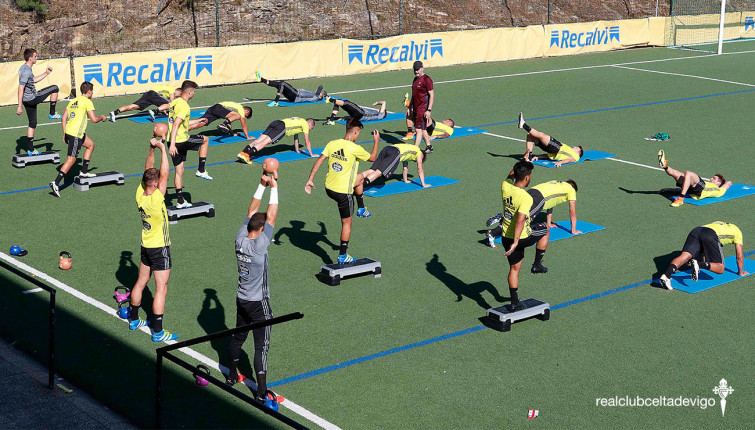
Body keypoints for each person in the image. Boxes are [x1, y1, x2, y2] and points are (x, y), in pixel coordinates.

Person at [226, 173, 279, 406]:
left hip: (241, 298)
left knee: (238, 338)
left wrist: (260, 184)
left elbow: (251, 211)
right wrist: (274, 187)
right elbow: (273, 215)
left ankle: (231, 376)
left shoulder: (240, 239)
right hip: (259, 302)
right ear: (260, 229)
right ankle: (261, 392)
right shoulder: (259, 245)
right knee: (261, 347)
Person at [304, 119, 379, 263]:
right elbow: (373, 157)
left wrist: (310, 180)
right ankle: (343, 256)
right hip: (343, 192)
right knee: (346, 224)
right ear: (356, 131)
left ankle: (361, 208)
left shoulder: (333, 143)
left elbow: (318, 161)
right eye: (359, 133)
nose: (358, 136)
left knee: (359, 178)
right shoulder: (355, 148)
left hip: (329, 188)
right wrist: (376, 141)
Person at [127, 134, 178, 342]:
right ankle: (158, 331)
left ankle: (133, 319)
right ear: (156, 184)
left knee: (140, 282)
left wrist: (151, 149)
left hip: (145, 245)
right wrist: (163, 149)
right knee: (161, 288)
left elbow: (148, 171)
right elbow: (165, 173)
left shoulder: (140, 194)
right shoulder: (157, 198)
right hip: (160, 247)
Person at [499, 161, 551, 310]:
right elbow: (521, 220)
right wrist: (516, 242)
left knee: (514, 269)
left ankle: (514, 303)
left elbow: (510, 175)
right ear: (527, 178)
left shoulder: (505, 186)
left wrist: (524, 161)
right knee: (545, 229)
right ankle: (537, 264)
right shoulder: (525, 197)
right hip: (521, 237)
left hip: (505, 237)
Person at [49, 81, 107, 198]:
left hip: (71, 132)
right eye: (92, 92)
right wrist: (102, 117)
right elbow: (94, 119)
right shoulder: (87, 102)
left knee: (90, 145)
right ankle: (56, 182)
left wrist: (65, 133)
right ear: (89, 92)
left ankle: (84, 172)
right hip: (76, 134)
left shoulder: (73, 101)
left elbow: (63, 118)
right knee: (71, 159)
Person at [485, 179, 581, 247]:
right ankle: (494, 232)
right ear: (573, 188)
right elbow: (572, 211)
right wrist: (573, 230)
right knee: (523, 220)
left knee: (520, 214)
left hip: (532, 190)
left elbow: (551, 204)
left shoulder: (558, 184)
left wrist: (548, 223)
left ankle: (501, 218)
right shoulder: (571, 190)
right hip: (539, 198)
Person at [658, 221, 748, 290]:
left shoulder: (720, 224)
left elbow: (705, 245)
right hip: (711, 235)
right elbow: (739, 256)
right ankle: (699, 265)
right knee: (720, 268)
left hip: (696, 230)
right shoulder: (738, 232)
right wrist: (740, 272)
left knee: (684, 256)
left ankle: (666, 275)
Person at [167, 80, 212, 208]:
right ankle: (201, 170)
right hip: (180, 141)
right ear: (190, 91)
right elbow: (176, 124)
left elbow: (181, 123)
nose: (194, 94)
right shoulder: (184, 106)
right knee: (205, 140)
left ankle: (180, 201)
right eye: (194, 92)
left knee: (179, 171)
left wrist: (197, 121)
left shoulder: (175, 102)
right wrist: (173, 145)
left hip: (172, 140)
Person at [17, 48, 61, 156]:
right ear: (30, 58)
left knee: (32, 123)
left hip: (27, 101)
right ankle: (52, 113)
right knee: (55, 88)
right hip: (32, 98)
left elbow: (33, 80)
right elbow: (20, 87)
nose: (37, 58)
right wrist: (19, 106)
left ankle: (31, 149)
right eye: (35, 56)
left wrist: (46, 73)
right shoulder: (27, 70)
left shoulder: (24, 68)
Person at [657, 150, 732, 207]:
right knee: (678, 175)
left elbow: (729, 183)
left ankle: (681, 199)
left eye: (714, 178)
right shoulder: (710, 184)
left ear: (719, 183)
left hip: (702, 188)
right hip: (693, 190)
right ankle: (665, 166)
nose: (711, 178)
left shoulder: (719, 190)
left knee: (688, 174)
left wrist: (723, 182)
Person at [236, 117, 316, 163]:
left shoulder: (300, 121)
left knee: (258, 140)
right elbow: (307, 141)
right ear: (309, 124)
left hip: (276, 122)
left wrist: (297, 150)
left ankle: (243, 153)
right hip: (281, 128)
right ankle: (247, 155)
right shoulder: (305, 125)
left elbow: (296, 138)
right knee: (265, 143)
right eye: (311, 128)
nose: (310, 130)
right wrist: (311, 154)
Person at [518, 113, 583, 167]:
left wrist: (561, 162)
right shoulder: (567, 153)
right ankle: (530, 155)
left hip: (557, 147)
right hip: (552, 150)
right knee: (530, 136)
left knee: (542, 135)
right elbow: (548, 156)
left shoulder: (576, 156)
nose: (574, 146)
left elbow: (570, 160)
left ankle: (523, 125)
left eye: (577, 148)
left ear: (578, 152)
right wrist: (537, 156)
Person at [359, 143, 431, 191]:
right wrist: (423, 184)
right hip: (395, 152)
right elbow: (420, 169)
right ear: (422, 155)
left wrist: (405, 180)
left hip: (387, 148)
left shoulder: (412, 150)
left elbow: (405, 168)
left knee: (372, 170)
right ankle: (360, 186)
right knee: (379, 172)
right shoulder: (419, 153)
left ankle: (355, 180)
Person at [405, 61, 435, 153]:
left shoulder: (427, 80)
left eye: (417, 69)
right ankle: (429, 146)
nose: (416, 71)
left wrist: (429, 110)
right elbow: (414, 95)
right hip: (416, 108)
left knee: (418, 130)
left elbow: (431, 95)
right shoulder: (415, 79)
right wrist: (410, 107)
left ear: (422, 68)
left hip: (423, 109)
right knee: (422, 129)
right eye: (414, 69)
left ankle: (414, 151)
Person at [108, 85, 179, 122]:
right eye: (177, 96)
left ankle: (115, 112)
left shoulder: (164, 90)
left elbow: (162, 104)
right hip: (154, 94)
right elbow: (171, 102)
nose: (176, 96)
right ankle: (154, 111)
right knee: (171, 103)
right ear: (178, 92)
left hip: (148, 94)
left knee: (133, 106)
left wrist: (165, 112)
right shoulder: (172, 90)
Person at [253, 70, 326, 106]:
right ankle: (261, 79)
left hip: (295, 95)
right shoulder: (313, 96)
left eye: (320, 93)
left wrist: (325, 96)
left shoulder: (316, 96)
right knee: (279, 85)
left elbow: (320, 87)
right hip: (294, 95)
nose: (317, 91)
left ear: (319, 96)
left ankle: (275, 101)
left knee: (283, 83)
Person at [189, 101, 253, 138]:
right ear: (246, 111)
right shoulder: (241, 109)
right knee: (238, 116)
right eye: (245, 115)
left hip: (213, 109)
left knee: (200, 123)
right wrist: (247, 137)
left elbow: (229, 123)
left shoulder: (232, 113)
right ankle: (223, 124)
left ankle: (182, 130)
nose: (243, 116)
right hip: (219, 108)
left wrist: (232, 134)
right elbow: (243, 124)